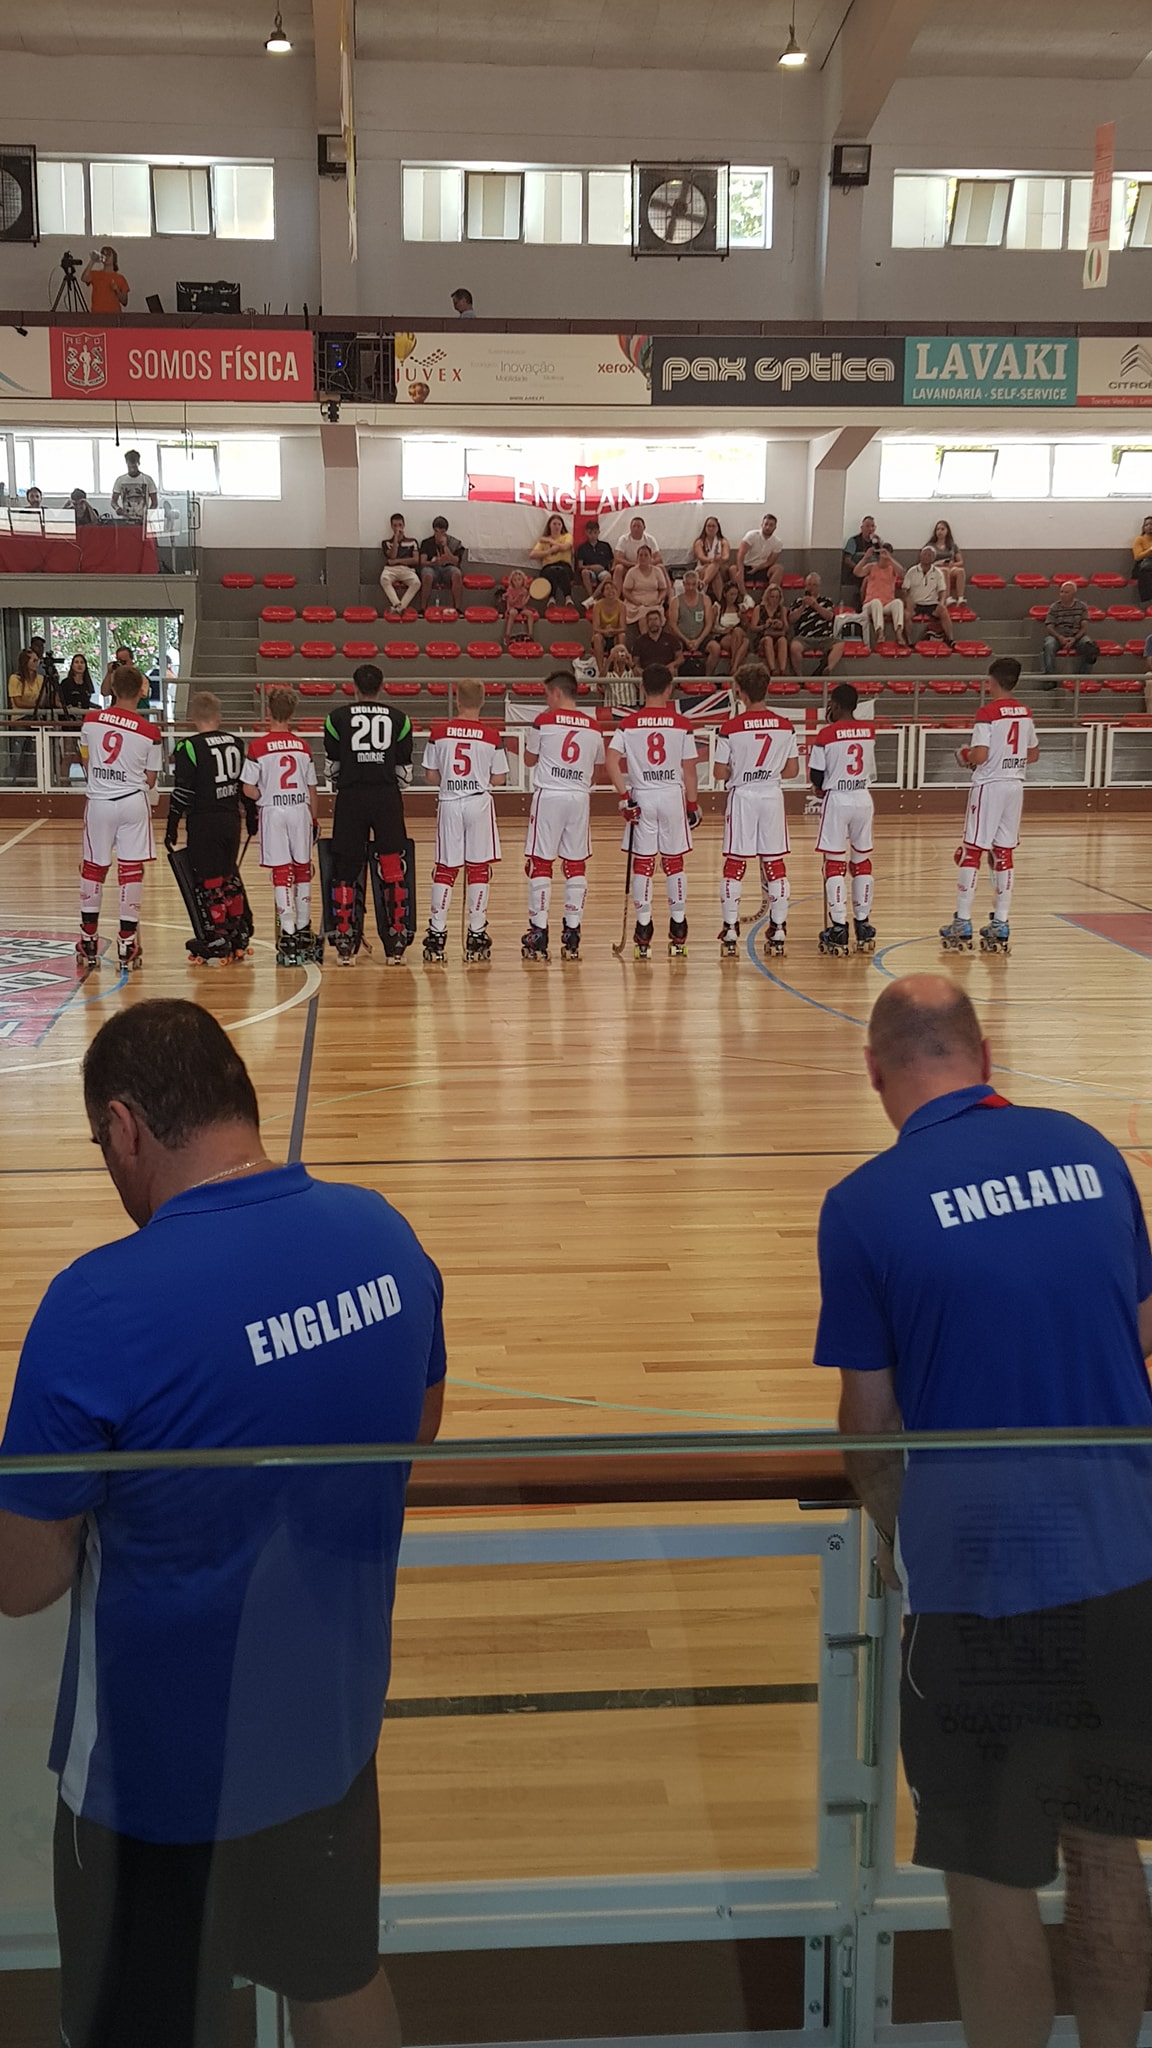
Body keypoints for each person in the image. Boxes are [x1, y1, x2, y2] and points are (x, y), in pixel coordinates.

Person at [0, 997, 445, 2048]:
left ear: (123, 1127)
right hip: (329, 1733)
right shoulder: (383, 1237)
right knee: (338, 1975)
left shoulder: (97, 1304)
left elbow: (22, 1577)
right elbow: (416, 1423)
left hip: (154, 1780)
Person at [815, 972, 1152, 2048]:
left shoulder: (865, 1204)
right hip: (1126, 1560)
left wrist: (894, 1540)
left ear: (876, 1072)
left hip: (981, 1582)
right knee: (1108, 1848)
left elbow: (870, 1425)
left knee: (992, 1872)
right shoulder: (1092, 1152)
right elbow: (1142, 1330)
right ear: (986, 1053)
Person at [939, 657, 1038, 954]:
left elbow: (980, 755)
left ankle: (962, 921)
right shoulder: (1025, 712)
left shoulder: (987, 713)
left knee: (972, 851)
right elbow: (1033, 754)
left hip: (989, 787)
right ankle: (1001, 923)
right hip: (1014, 785)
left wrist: (965, 755)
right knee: (1004, 853)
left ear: (992, 681)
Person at [605, 664, 700, 959]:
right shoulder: (682, 724)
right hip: (672, 796)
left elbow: (611, 760)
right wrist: (692, 805)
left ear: (642, 688)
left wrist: (625, 797)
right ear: (670, 689)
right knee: (674, 863)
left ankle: (644, 929)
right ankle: (679, 927)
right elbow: (689, 769)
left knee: (643, 865)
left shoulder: (628, 724)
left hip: (642, 797)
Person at [323, 663, 414, 964]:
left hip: (351, 797)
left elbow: (331, 769)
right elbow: (404, 773)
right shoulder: (400, 719)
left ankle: (344, 939)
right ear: (381, 686)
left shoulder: (336, 718)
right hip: (386, 796)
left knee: (346, 868)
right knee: (392, 865)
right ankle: (396, 939)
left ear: (354, 687)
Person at [77, 664, 161, 972]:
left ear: (111, 688)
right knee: (131, 868)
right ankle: (127, 942)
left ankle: (88, 939)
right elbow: (150, 779)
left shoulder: (90, 720)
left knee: (93, 867)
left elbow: (85, 759)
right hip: (132, 801)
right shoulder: (150, 732)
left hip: (99, 802)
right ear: (141, 691)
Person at [713, 662, 799, 959]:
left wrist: (741, 771)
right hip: (771, 795)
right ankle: (779, 929)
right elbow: (792, 770)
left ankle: (730, 930)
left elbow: (719, 772)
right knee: (775, 864)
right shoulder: (785, 726)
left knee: (735, 865)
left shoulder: (730, 728)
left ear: (740, 692)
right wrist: (767, 772)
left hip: (743, 797)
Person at [421, 677, 508, 964]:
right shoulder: (491, 736)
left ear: (457, 700)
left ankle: (436, 935)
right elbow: (500, 778)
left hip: (450, 802)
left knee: (445, 869)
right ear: (482, 702)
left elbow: (430, 775)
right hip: (478, 802)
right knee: (479, 868)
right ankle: (477, 932)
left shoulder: (439, 732)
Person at [166, 692, 257, 964]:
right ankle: (238, 932)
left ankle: (217, 936)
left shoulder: (188, 747)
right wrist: (251, 816)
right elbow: (243, 785)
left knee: (209, 881)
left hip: (204, 821)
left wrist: (172, 824)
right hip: (231, 819)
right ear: (219, 716)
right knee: (229, 875)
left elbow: (182, 791)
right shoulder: (235, 742)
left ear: (192, 717)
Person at [521, 670, 605, 963]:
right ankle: (572, 933)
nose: (547, 700)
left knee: (541, 862)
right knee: (575, 864)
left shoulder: (543, 721)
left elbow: (528, 760)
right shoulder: (594, 726)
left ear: (557, 693)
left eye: (547, 694)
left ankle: (538, 932)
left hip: (550, 795)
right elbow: (597, 771)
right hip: (579, 797)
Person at [241, 687, 320, 966]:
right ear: (292, 714)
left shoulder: (258, 747)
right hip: (300, 810)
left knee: (281, 872)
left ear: (268, 712)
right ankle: (304, 928)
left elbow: (247, 788)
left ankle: (287, 933)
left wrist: (265, 796)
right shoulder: (303, 747)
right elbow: (312, 789)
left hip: (274, 811)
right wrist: (313, 819)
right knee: (302, 869)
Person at [808, 679, 876, 956]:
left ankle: (838, 927)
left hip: (837, 799)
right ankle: (863, 924)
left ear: (835, 705)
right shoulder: (869, 731)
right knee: (862, 862)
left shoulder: (826, 734)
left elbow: (816, 775)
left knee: (834, 864)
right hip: (862, 797)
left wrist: (820, 787)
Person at [1042, 581, 1098, 684]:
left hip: (1076, 636)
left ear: (1073, 594)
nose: (1063, 594)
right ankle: (1050, 678)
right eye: (1061, 592)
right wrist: (1060, 638)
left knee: (1089, 645)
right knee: (1049, 644)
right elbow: (1049, 626)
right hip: (1058, 636)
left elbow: (1084, 627)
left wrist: (1074, 638)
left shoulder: (1082, 607)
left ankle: (1083, 678)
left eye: (1066, 592)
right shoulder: (1054, 607)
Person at [788, 574, 843, 677]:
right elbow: (791, 619)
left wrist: (815, 605)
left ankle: (828, 669)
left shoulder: (826, 601)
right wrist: (802, 607)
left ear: (819, 587)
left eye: (814, 585)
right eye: (809, 584)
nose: (811, 587)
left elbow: (830, 616)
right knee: (794, 647)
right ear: (805, 586)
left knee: (839, 644)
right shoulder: (798, 602)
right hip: (804, 637)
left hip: (824, 637)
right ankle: (799, 676)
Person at [854, 542, 906, 647]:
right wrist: (866, 557)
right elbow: (857, 572)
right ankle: (880, 632)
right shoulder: (871, 567)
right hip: (870, 603)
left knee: (898, 603)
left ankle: (899, 633)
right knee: (876, 602)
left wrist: (889, 558)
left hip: (887, 603)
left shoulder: (892, 568)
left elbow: (902, 572)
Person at [902, 546, 954, 646]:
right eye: (925, 554)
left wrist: (941, 602)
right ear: (920, 556)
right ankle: (909, 642)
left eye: (929, 555)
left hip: (932, 603)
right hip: (916, 603)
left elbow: (942, 590)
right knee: (906, 615)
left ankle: (950, 640)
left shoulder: (938, 573)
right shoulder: (911, 571)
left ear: (933, 558)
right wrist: (908, 601)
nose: (926, 556)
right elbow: (905, 589)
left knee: (943, 611)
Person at [669, 568, 715, 676]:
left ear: (697, 584)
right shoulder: (675, 601)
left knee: (715, 648)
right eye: (688, 584)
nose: (690, 588)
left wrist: (698, 640)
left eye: (693, 584)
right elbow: (673, 624)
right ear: (684, 584)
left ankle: (707, 677)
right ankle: (677, 679)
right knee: (674, 650)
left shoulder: (705, 600)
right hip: (681, 637)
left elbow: (709, 624)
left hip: (700, 637)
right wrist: (686, 640)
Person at [621, 543, 671, 640]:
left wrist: (659, 599)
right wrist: (636, 602)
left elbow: (663, 589)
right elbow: (625, 590)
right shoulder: (632, 572)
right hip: (636, 605)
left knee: (655, 615)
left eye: (646, 555)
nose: (643, 558)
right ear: (637, 557)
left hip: (654, 603)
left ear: (650, 557)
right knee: (643, 616)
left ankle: (658, 642)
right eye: (641, 555)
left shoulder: (657, 571)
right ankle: (646, 642)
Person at [419, 517, 465, 613]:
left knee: (457, 573)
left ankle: (457, 608)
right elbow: (422, 562)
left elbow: (456, 561)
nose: (439, 535)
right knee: (427, 575)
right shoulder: (426, 542)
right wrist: (433, 563)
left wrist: (445, 547)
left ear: (445, 532)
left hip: (448, 568)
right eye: (437, 531)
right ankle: (423, 608)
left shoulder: (455, 543)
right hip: (432, 568)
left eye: (442, 532)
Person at [705, 581, 749, 678]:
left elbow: (746, 627)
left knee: (739, 633)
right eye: (731, 594)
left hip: (737, 634)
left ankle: (733, 666)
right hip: (722, 635)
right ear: (725, 594)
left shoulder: (740, 607)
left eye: (735, 594)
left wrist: (743, 618)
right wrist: (723, 631)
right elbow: (709, 627)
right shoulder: (717, 607)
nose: (733, 597)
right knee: (745, 642)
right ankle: (734, 668)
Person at [379, 513, 422, 612]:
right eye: (395, 525)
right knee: (384, 579)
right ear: (391, 527)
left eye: (400, 525)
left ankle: (399, 608)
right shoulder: (386, 543)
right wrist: (395, 539)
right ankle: (398, 605)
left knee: (416, 583)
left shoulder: (413, 541)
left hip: (407, 570)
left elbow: (415, 560)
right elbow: (392, 555)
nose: (398, 528)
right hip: (391, 569)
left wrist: (396, 561)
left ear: (404, 526)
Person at [734, 514, 783, 596]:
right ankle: (745, 597)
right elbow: (740, 554)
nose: (767, 527)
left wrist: (758, 567)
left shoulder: (778, 542)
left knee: (779, 568)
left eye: (771, 525)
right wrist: (740, 570)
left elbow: (770, 562)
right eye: (766, 524)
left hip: (763, 568)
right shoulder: (751, 535)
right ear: (762, 525)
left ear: (775, 527)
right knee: (732, 569)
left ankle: (769, 597)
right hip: (747, 567)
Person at [530, 513, 574, 603]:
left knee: (562, 571)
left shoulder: (567, 536)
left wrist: (550, 541)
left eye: (559, 524)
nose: (557, 526)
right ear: (549, 525)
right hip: (548, 566)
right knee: (551, 572)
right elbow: (532, 555)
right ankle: (551, 598)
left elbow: (565, 547)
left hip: (564, 565)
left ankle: (568, 597)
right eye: (554, 524)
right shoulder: (543, 541)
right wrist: (548, 552)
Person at [842, 514, 890, 592]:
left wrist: (880, 545)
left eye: (872, 526)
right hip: (858, 572)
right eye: (867, 526)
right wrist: (859, 568)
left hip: (874, 571)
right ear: (862, 528)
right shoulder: (853, 540)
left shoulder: (876, 542)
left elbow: (883, 558)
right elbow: (847, 559)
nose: (870, 529)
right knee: (867, 580)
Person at [613, 514, 663, 588]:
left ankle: (666, 592)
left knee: (660, 567)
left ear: (644, 528)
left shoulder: (650, 539)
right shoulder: (623, 539)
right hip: (629, 566)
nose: (636, 529)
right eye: (634, 526)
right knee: (619, 568)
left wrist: (646, 564)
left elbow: (658, 558)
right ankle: (616, 593)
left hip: (647, 566)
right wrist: (631, 564)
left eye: (638, 526)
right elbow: (618, 557)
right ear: (630, 528)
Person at [633, 606, 684, 679]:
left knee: (673, 671)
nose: (653, 622)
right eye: (650, 620)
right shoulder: (639, 641)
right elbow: (636, 662)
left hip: (666, 671)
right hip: (647, 673)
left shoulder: (671, 639)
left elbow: (680, 658)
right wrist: (638, 669)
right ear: (647, 623)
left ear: (661, 621)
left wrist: (672, 665)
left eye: (655, 619)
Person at [751, 581, 789, 675]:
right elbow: (753, 627)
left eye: (777, 597)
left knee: (783, 640)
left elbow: (786, 628)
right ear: (767, 597)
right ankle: (773, 669)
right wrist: (765, 626)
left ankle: (783, 669)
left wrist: (781, 624)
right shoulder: (759, 608)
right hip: (762, 638)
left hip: (777, 636)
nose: (774, 600)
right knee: (768, 639)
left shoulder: (782, 609)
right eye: (772, 597)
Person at [589, 581, 628, 672]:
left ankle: (620, 669)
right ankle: (601, 669)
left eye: (613, 588)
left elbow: (623, 628)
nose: (611, 591)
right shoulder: (597, 605)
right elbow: (595, 628)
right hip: (602, 634)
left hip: (615, 634)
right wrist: (605, 631)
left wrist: (613, 630)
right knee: (597, 637)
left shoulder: (622, 606)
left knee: (622, 636)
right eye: (607, 589)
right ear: (603, 592)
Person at [110, 451, 157, 524]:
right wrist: (118, 509)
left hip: (143, 521)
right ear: (126, 463)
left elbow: (154, 503)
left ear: (138, 463)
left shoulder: (147, 480)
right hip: (126, 521)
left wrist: (148, 515)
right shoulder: (120, 480)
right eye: (130, 467)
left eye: (134, 467)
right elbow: (113, 501)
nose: (132, 470)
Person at [82, 244, 129, 315]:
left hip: (114, 314)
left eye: (109, 255)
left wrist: (116, 290)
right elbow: (84, 278)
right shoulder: (95, 274)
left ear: (114, 258)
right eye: (104, 255)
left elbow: (124, 302)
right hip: (97, 314)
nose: (106, 257)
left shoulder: (120, 278)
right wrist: (92, 261)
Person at [575, 518, 614, 604]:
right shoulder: (582, 548)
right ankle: (591, 597)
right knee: (584, 572)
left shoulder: (605, 546)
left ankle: (592, 598)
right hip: (590, 571)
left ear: (599, 532)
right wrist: (592, 567)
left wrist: (610, 569)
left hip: (602, 571)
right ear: (586, 533)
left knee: (608, 576)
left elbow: (612, 561)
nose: (593, 535)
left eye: (595, 532)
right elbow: (580, 566)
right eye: (590, 533)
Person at [926, 518, 965, 602]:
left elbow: (961, 562)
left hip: (950, 567)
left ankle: (960, 598)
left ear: (947, 531)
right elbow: (925, 561)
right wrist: (938, 563)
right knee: (945, 571)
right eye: (938, 529)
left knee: (960, 571)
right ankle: (947, 598)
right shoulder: (930, 546)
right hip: (936, 568)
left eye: (942, 529)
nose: (940, 531)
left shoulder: (952, 546)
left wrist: (952, 564)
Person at [691, 515, 729, 601]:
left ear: (718, 528)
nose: (711, 528)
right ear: (705, 528)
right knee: (716, 573)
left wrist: (719, 560)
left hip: (720, 567)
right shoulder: (699, 542)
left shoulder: (723, 541)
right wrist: (712, 561)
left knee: (716, 566)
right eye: (708, 526)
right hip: (703, 568)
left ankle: (703, 583)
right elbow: (700, 556)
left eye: (713, 526)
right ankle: (720, 602)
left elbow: (726, 556)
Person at [601, 641, 641, 718]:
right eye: (617, 652)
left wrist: (631, 663)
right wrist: (609, 661)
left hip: (630, 708)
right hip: (612, 709)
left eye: (623, 652)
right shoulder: (608, 674)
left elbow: (640, 681)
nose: (620, 654)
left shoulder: (631, 672)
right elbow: (600, 681)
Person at [503, 568, 539, 648]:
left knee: (530, 614)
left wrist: (527, 597)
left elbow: (522, 604)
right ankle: (507, 634)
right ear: (512, 581)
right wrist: (517, 597)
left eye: (519, 579)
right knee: (513, 613)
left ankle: (530, 635)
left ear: (523, 580)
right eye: (515, 580)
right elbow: (511, 602)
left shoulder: (524, 590)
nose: (517, 582)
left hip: (521, 608)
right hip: (512, 608)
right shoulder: (510, 590)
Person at [1131, 515, 1152, 604]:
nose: (1150, 527)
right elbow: (1137, 556)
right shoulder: (1139, 539)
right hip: (1143, 565)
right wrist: (1150, 550)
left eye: (1151, 524)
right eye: (1147, 525)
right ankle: (1148, 598)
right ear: (1143, 527)